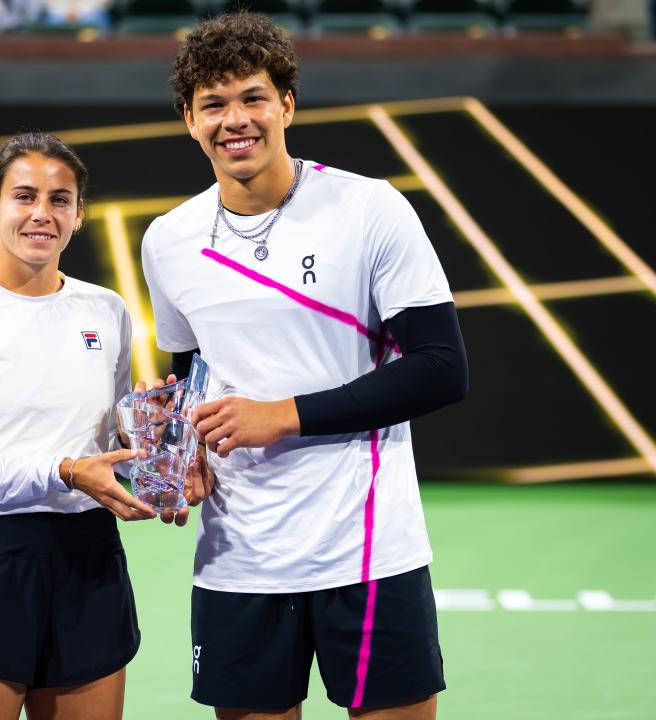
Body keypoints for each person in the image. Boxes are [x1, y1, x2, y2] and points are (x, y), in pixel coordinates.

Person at [140, 12, 469, 720]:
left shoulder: (368, 208)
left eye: (253, 98)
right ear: (189, 121)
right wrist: (182, 450)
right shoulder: (169, 240)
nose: (236, 120)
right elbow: (192, 363)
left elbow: (442, 367)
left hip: (369, 549)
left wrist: (284, 416)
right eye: (213, 105)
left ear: (286, 104)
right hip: (240, 554)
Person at [0, 132, 157, 720]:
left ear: (78, 214)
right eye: (24, 196)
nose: (42, 213)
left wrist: (157, 450)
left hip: (90, 558)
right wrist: (64, 472)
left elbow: (116, 443)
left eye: (60, 199)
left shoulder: (108, 310)